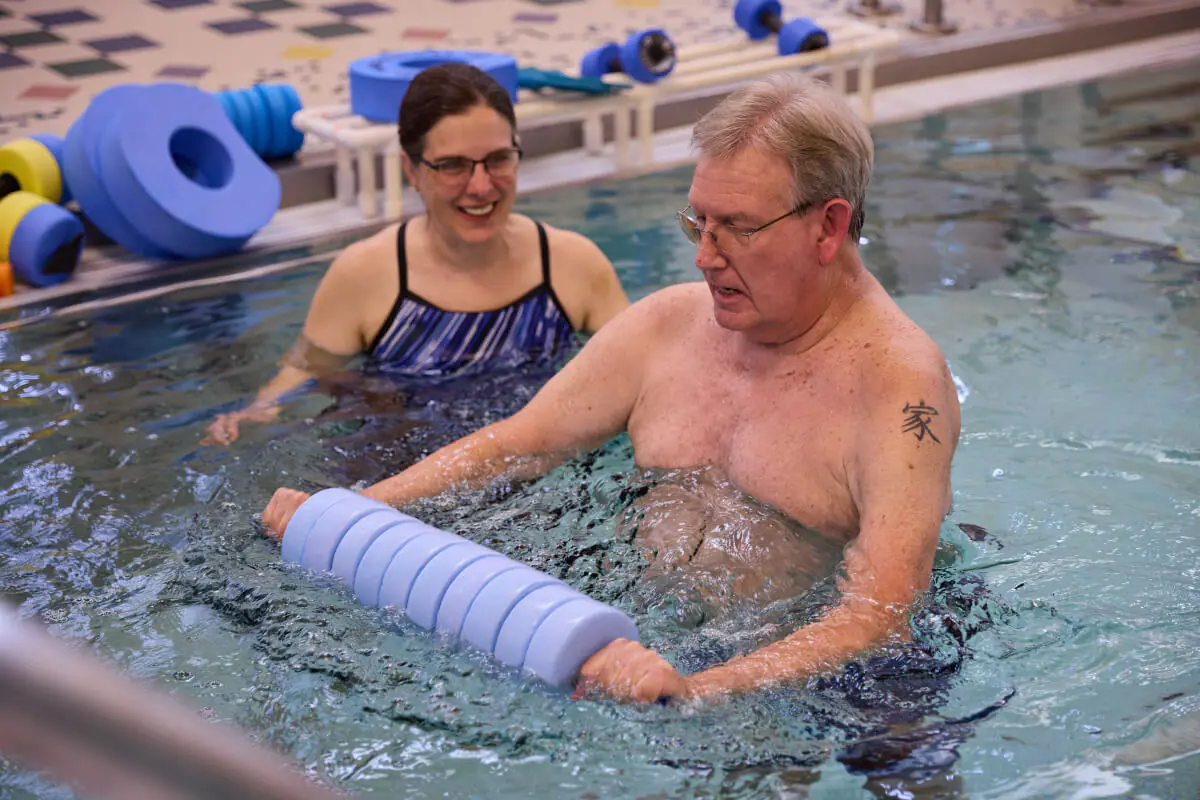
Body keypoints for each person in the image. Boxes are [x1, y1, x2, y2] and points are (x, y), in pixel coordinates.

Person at [262, 71, 962, 705]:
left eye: (738, 229)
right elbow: (518, 445)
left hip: (813, 685)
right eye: (699, 222)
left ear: (828, 227)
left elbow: (878, 614)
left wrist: (696, 691)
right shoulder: (668, 324)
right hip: (651, 641)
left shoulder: (902, 392)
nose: (704, 256)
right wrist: (347, 512)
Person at [203, 63, 629, 445]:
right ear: (412, 171)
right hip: (400, 468)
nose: (481, 186)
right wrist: (259, 411)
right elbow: (305, 369)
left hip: (547, 469)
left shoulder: (573, 265)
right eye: (453, 165)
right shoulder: (366, 274)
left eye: (498, 159)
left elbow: (638, 362)